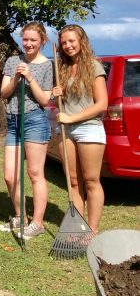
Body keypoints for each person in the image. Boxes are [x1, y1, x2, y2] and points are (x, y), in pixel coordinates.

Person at [0, 22, 53, 239]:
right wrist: (16, 79)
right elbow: (4, 93)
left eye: (33, 40)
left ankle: (37, 223)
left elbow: (45, 100)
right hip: (13, 121)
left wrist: (30, 78)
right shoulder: (13, 61)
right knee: (10, 176)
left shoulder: (47, 65)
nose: (28, 44)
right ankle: (21, 217)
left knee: (35, 173)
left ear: (42, 41)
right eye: (25, 39)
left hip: (34, 121)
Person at [52, 24, 108, 234]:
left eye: (72, 41)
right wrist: (56, 92)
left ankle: (92, 231)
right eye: (64, 42)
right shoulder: (62, 69)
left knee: (92, 181)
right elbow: (63, 101)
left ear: (81, 41)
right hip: (67, 130)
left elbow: (101, 104)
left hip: (89, 129)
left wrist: (72, 117)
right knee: (73, 182)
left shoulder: (94, 67)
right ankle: (78, 228)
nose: (68, 46)